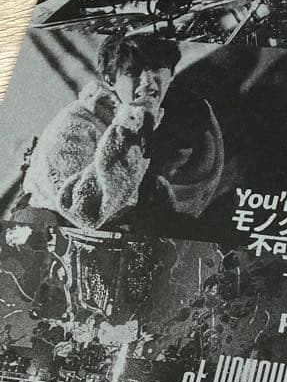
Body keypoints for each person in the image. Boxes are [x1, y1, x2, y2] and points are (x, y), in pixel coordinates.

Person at [19, 32, 224, 232]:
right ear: (110, 79)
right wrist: (132, 125)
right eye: (133, 72)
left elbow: (192, 192)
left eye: (157, 69)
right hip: (50, 227)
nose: (148, 82)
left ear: (171, 74)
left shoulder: (182, 112)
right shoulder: (73, 127)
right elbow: (85, 211)